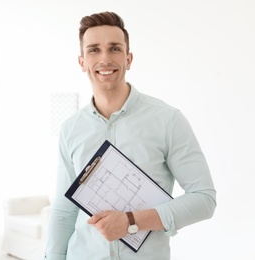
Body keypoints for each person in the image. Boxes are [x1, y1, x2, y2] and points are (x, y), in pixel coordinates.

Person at [44, 11, 216, 260]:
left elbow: (204, 199)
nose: (105, 58)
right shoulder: (71, 129)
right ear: (82, 62)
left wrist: (130, 221)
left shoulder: (168, 120)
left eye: (114, 49)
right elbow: (63, 211)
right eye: (94, 50)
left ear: (128, 58)